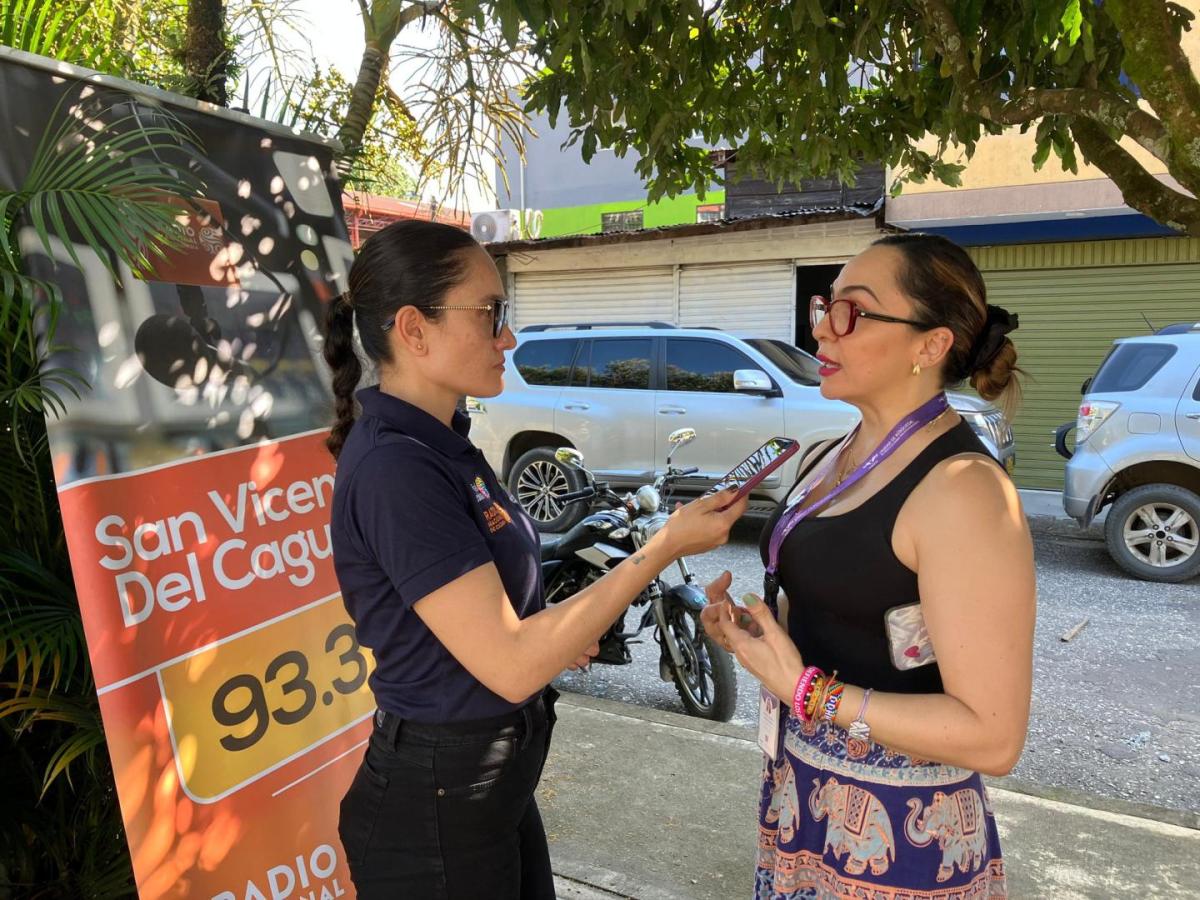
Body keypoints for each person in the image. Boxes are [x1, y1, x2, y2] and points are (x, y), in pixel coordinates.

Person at [322, 219, 746, 899]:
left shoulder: (444, 443)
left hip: (489, 786)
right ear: (414, 329)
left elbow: (501, 622)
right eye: (491, 314)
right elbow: (511, 662)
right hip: (437, 810)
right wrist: (664, 545)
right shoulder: (396, 468)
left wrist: (560, 631)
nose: (509, 338)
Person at [702, 233, 1035, 898]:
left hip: (905, 831)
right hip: (804, 791)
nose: (822, 328)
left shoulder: (964, 491)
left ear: (930, 345)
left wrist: (808, 693)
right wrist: (761, 633)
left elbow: (993, 738)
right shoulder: (831, 450)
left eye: (851, 311)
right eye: (825, 306)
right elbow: (845, 605)